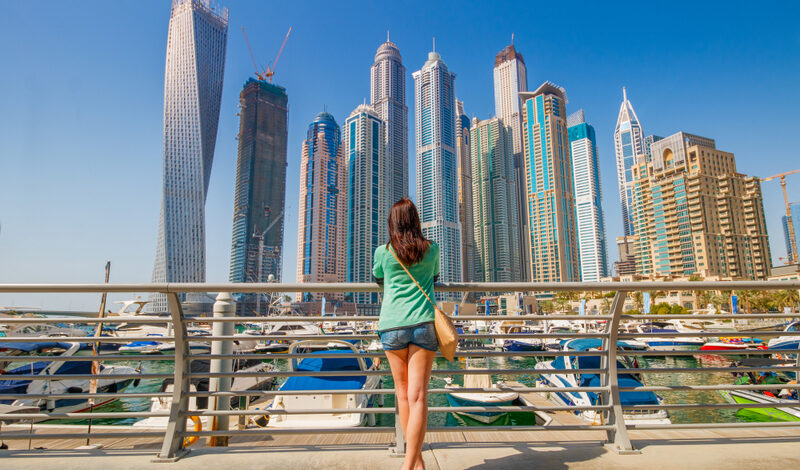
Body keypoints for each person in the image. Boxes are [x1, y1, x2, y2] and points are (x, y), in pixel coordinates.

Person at [373, 198, 440, 470]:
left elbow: (378, 279)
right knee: (419, 397)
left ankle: (413, 463)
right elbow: (434, 277)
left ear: (393, 222)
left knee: (402, 396)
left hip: (391, 325)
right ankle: (413, 463)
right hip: (423, 323)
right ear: (415, 221)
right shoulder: (432, 249)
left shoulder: (383, 251)